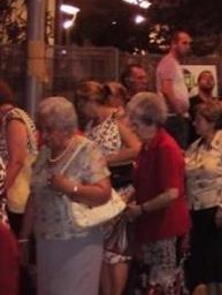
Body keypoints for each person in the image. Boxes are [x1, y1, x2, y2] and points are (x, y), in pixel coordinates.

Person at [20, 97, 113, 295]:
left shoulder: (86, 149)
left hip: (79, 241)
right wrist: (24, 238)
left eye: (49, 130)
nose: (43, 135)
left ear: (67, 128)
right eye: (41, 128)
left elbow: (103, 194)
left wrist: (71, 188)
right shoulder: (45, 154)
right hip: (47, 241)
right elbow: (34, 196)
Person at [75, 81, 142, 295]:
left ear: (92, 101)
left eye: (83, 104)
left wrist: (106, 160)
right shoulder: (91, 125)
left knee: (117, 249)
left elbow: (136, 148)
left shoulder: (117, 120)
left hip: (120, 188)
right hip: (99, 191)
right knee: (103, 249)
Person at [125, 92, 191, 294]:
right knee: (149, 284)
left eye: (136, 124)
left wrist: (141, 209)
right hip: (151, 227)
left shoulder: (166, 148)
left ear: (150, 122)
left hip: (165, 229)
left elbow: (171, 193)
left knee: (164, 284)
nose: (132, 130)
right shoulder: (147, 147)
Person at [184, 100, 222, 295]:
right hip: (197, 210)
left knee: (221, 266)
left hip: (217, 208)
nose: (194, 123)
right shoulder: (194, 147)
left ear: (211, 121)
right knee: (205, 267)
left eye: (199, 120)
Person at [0, 81, 38, 236]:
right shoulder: (13, 117)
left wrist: (2, 189)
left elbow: (17, 160)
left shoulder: (13, 119)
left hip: (18, 193)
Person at [156, 31, 193, 148]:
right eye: (184, 43)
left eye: (189, 44)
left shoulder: (174, 63)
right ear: (174, 44)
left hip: (176, 116)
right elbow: (166, 89)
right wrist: (179, 112)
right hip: (172, 117)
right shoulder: (168, 62)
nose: (188, 47)